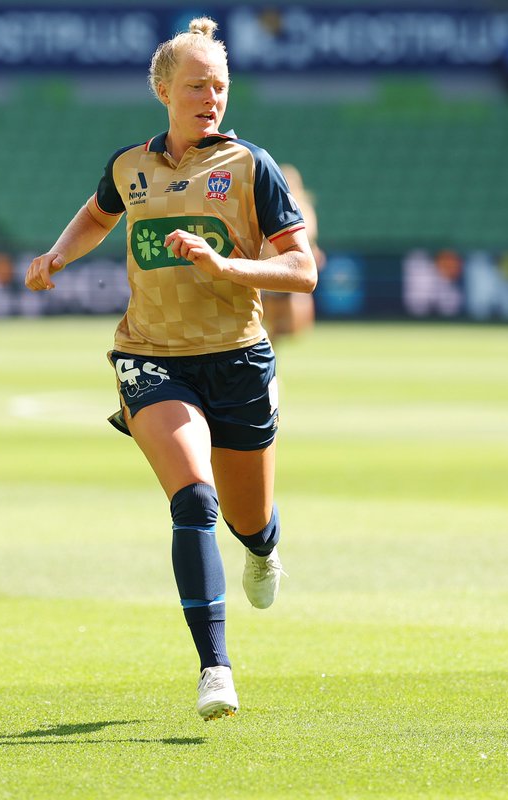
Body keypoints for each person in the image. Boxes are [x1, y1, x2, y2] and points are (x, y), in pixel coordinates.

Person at [24, 17, 316, 721]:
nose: (210, 98)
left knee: (249, 520)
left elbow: (302, 270)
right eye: (196, 86)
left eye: (219, 86)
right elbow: (99, 215)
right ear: (164, 91)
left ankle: (263, 547)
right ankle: (216, 668)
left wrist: (226, 266)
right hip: (151, 357)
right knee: (193, 499)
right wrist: (59, 254)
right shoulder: (130, 166)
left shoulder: (251, 167)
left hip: (237, 358)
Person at [261, 163, 323, 341]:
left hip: (288, 265)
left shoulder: (301, 207)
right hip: (274, 265)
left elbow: (308, 236)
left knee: (289, 326)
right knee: (272, 320)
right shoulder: (270, 205)